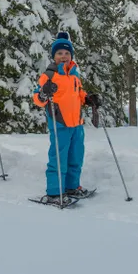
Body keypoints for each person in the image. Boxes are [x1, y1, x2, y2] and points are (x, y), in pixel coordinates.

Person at [32, 32, 101, 206]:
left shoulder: (74, 74)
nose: (63, 56)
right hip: (59, 123)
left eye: (67, 53)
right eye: (59, 53)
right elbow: (37, 99)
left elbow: (79, 94)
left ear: (71, 56)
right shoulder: (49, 75)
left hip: (76, 124)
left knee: (76, 156)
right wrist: (43, 93)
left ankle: (72, 186)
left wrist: (88, 99)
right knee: (58, 157)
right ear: (54, 56)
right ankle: (55, 192)